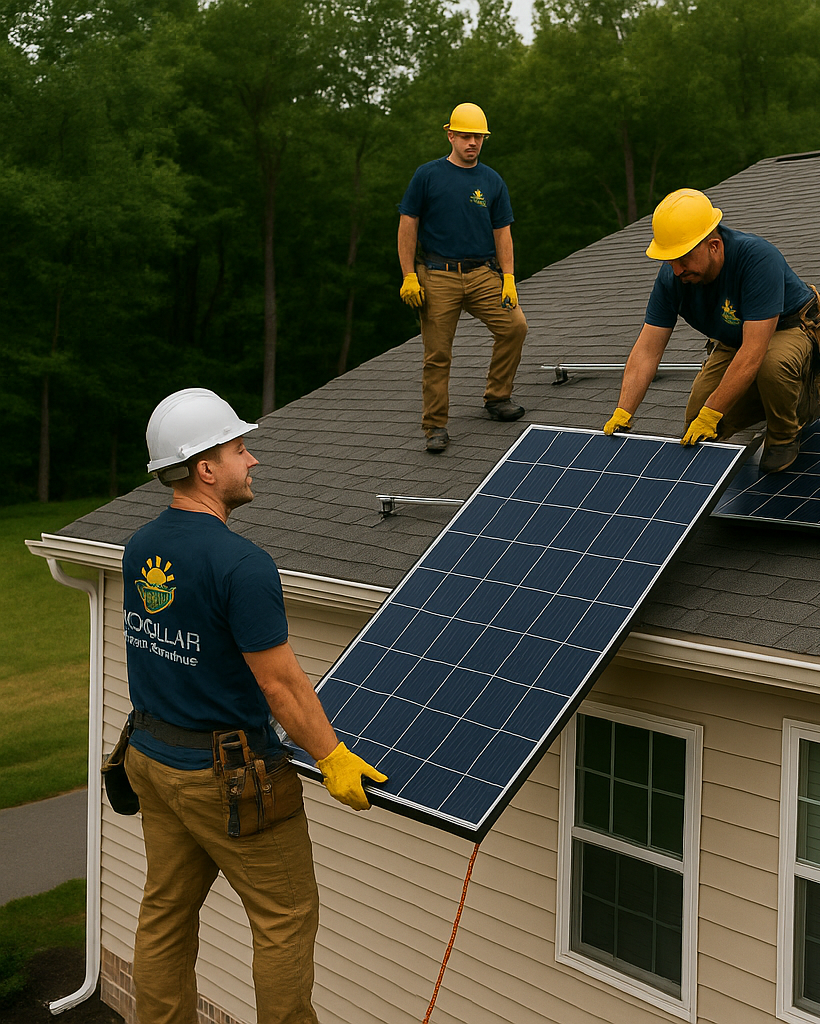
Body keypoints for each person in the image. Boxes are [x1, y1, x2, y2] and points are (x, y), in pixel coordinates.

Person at [124, 387, 387, 1024]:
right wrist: (333, 758)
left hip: (152, 761)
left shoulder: (140, 546)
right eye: (240, 447)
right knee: (284, 917)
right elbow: (282, 686)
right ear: (205, 468)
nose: (254, 459)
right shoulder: (242, 563)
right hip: (229, 779)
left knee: (164, 914)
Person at [603, 188, 820, 474]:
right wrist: (624, 410)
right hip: (738, 340)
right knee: (697, 421)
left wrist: (713, 412)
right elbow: (647, 350)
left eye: (683, 259)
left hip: (792, 328)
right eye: (669, 260)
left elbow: (754, 352)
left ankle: (788, 427)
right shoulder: (672, 278)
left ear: (714, 246)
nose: (676, 269)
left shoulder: (756, 258)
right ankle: (770, 399)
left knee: (771, 365)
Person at [398, 102, 529, 454]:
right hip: (438, 274)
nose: (473, 142)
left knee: (514, 326)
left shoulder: (491, 180)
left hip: (483, 273)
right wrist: (409, 275)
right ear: (450, 134)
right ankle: (435, 426)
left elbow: (503, 231)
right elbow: (407, 223)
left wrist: (509, 277)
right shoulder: (428, 175)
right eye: (467, 136)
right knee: (438, 354)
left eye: (479, 137)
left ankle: (498, 397)